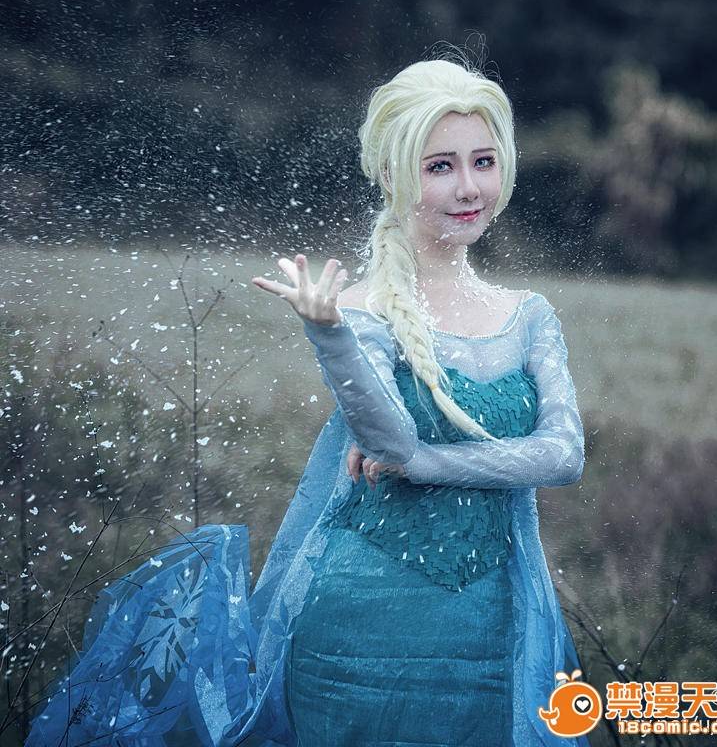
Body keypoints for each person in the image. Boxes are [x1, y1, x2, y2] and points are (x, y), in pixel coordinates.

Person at [25, 57, 588, 747]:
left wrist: (430, 464)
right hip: (355, 624)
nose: (468, 187)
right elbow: (388, 442)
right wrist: (330, 335)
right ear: (392, 175)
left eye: (484, 161)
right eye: (440, 166)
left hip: (497, 625)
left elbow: (564, 456)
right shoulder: (361, 309)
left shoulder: (529, 315)